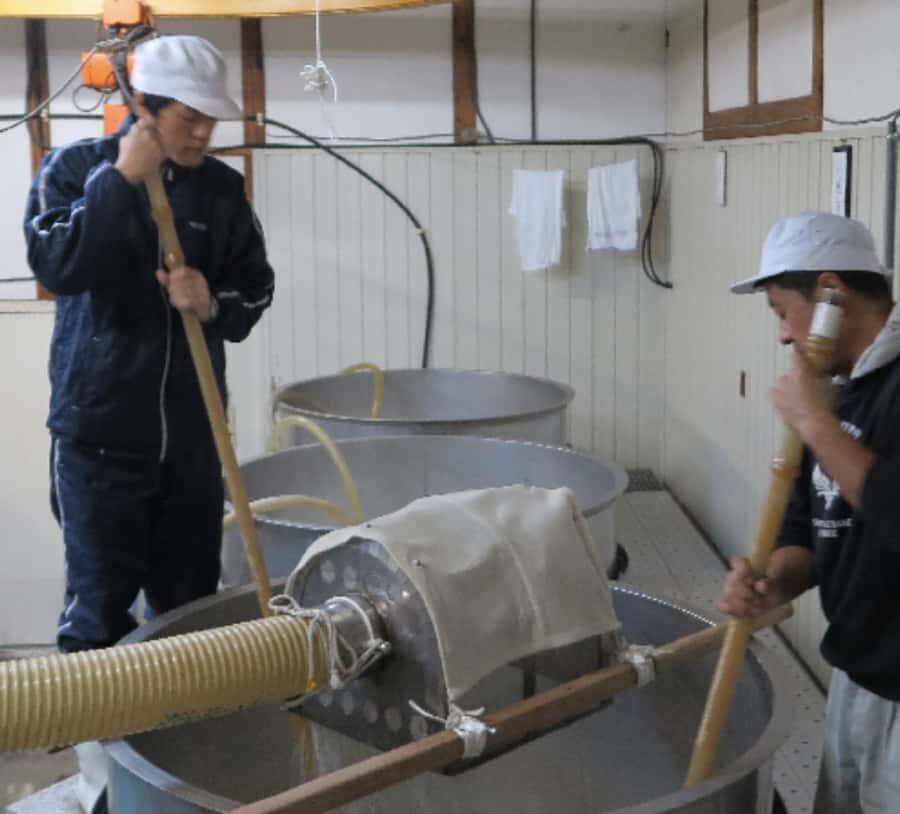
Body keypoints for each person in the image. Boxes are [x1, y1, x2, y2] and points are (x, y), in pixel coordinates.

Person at [23, 34, 274, 812]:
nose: (202, 132)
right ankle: (102, 782)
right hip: (100, 436)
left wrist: (213, 302)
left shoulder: (222, 192)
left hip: (193, 440)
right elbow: (54, 264)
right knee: (97, 611)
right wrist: (119, 181)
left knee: (190, 610)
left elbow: (257, 290)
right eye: (187, 117)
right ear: (144, 109)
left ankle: (180, 772)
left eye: (209, 118)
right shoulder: (74, 171)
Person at [722, 211, 900, 814]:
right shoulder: (835, 385)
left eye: (781, 311)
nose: (782, 336)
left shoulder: (848, 399)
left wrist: (816, 423)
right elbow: (809, 517)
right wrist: (776, 579)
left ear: (829, 293)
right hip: (856, 671)